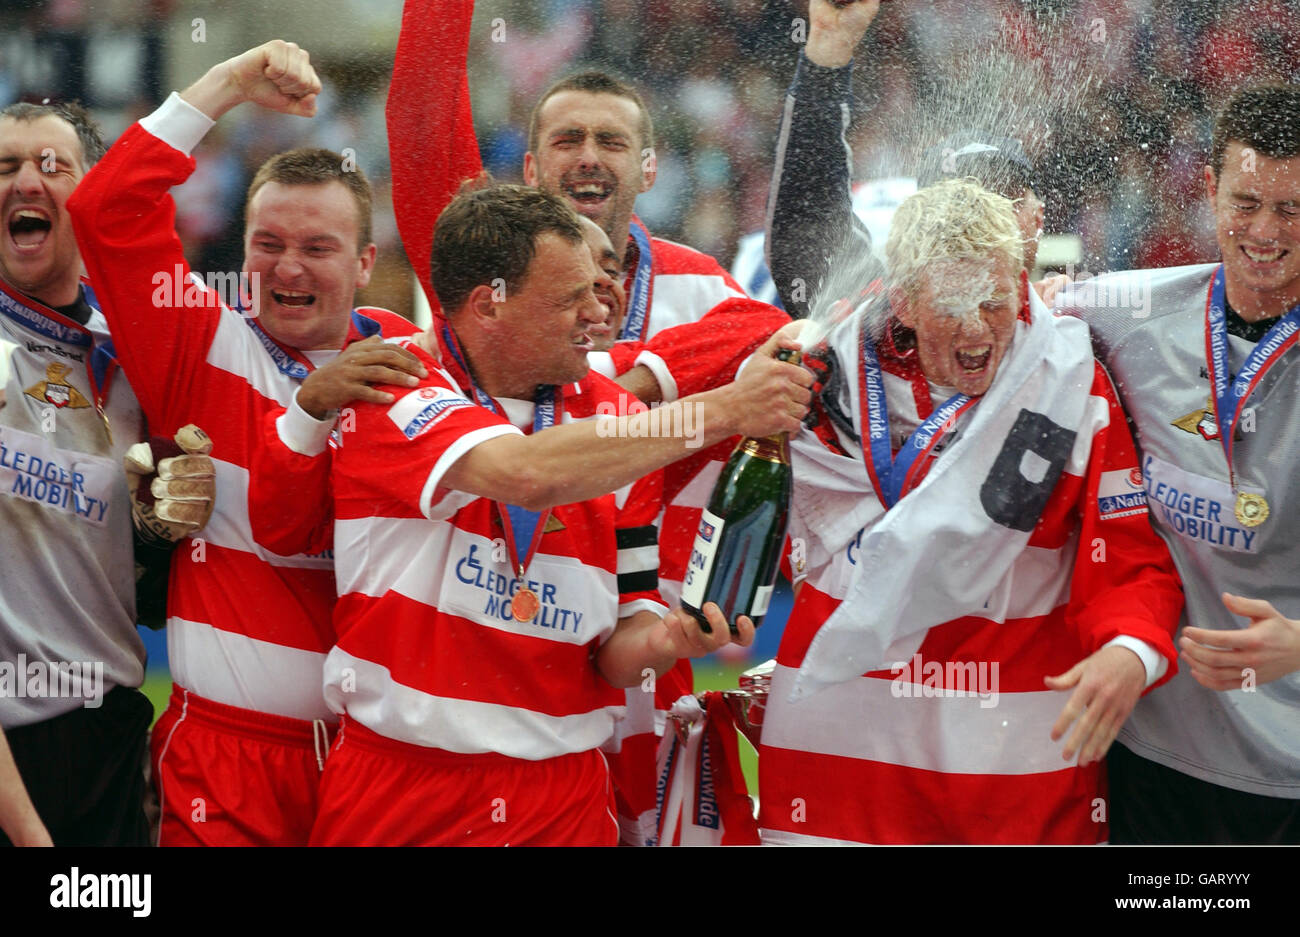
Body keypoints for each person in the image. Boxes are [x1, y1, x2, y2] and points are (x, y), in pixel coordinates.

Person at [305, 183, 811, 846]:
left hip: (562, 797)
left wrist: (673, 640)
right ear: (491, 304)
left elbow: (616, 654)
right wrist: (723, 410)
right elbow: (525, 473)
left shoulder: (619, 417)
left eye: (598, 287)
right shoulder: (393, 383)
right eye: (569, 296)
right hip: (405, 786)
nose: (596, 313)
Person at [66, 41, 424, 846]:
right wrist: (227, 83)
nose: (287, 267)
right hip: (227, 761)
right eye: (268, 245)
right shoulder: (198, 338)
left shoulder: (411, 364)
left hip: (383, 766)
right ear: (242, 248)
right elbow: (104, 210)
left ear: (367, 262)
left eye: (318, 248)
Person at [756, 177, 1183, 844]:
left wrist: (1129, 650)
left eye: (997, 301)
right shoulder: (816, 371)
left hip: (1012, 770)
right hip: (840, 760)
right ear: (904, 298)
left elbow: (1127, 557)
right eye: (955, 305)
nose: (981, 328)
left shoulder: (1067, 379)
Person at [1055, 84, 1300, 844]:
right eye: (1246, 200)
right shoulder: (1126, 311)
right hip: (1154, 751)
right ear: (1208, 188)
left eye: (1291, 210)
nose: (1264, 231)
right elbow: (984, 311)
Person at [0, 99, 196, 847]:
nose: (25, 181)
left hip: (105, 733)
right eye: (4, 166)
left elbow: (145, 590)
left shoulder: (134, 356)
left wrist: (159, 534)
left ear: (90, 199)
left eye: (51, 166)